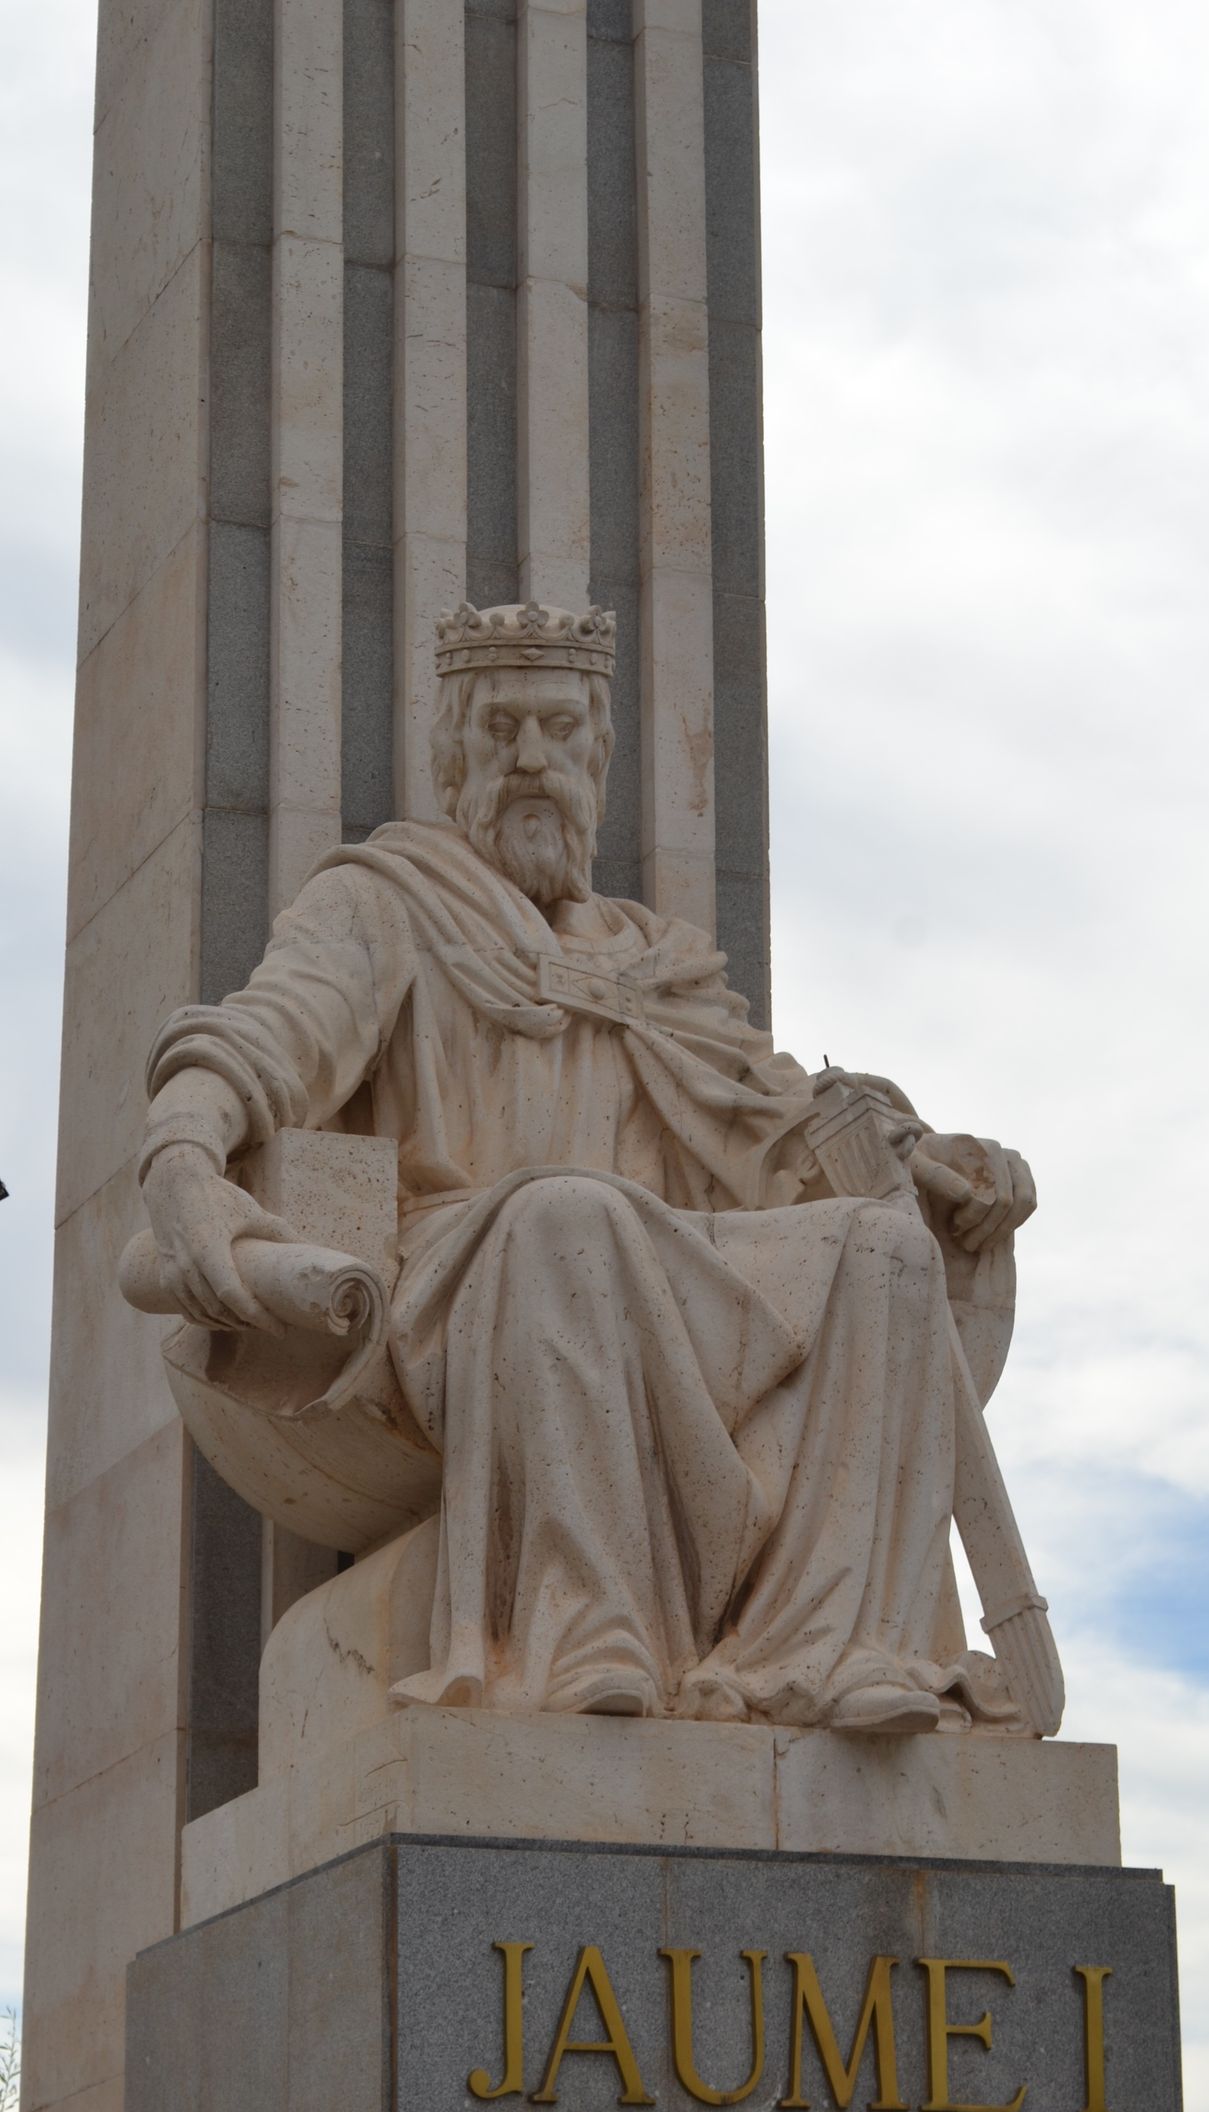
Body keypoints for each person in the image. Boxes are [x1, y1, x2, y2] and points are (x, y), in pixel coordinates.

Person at [136, 604, 1037, 1733]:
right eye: (501, 727)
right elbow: (268, 1036)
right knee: (569, 1212)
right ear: (452, 752)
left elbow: (776, 1123)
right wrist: (182, 1151)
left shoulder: (658, 963)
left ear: (598, 756)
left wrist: (925, 1161)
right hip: (462, 1273)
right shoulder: (385, 902)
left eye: (560, 728)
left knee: (879, 1246)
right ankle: (587, 1633)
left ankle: (831, 1648)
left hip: (663, 1268)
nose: (530, 760)